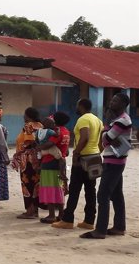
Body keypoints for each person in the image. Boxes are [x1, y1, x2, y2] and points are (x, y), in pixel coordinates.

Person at [80, 93, 132, 239]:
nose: (111, 102)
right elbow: (107, 140)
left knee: (103, 195)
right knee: (116, 195)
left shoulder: (122, 120)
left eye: (115, 101)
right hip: (114, 160)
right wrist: (107, 135)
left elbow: (105, 138)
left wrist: (106, 131)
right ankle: (119, 227)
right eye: (112, 99)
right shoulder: (118, 120)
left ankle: (100, 230)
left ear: (123, 104)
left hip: (114, 162)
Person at [53, 99, 103, 230]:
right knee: (90, 190)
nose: (76, 107)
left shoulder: (83, 119)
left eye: (77, 105)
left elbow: (84, 137)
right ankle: (89, 221)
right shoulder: (97, 120)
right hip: (95, 156)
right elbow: (101, 140)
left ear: (81, 106)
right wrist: (97, 152)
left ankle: (68, 220)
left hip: (83, 158)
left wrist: (76, 152)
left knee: (75, 189)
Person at [11, 107, 43, 219]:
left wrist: (19, 154)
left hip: (28, 160)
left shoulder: (28, 126)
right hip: (37, 159)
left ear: (28, 116)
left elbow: (29, 142)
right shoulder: (40, 125)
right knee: (35, 184)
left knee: (27, 184)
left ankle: (29, 211)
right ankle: (35, 210)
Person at [36, 116, 68, 223]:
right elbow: (67, 152)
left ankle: (51, 215)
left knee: (49, 189)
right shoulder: (66, 132)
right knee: (59, 189)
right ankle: (61, 214)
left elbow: (48, 145)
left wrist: (39, 147)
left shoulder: (55, 132)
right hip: (61, 164)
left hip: (49, 164)